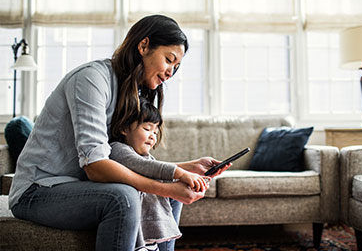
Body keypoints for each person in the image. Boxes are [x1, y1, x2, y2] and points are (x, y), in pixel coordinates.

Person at [8, 14, 230, 251]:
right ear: (144, 46)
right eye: (169, 59)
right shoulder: (92, 79)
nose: (170, 73)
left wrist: (186, 168)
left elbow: (126, 158)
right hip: (38, 191)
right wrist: (166, 187)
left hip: (78, 185)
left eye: (176, 67)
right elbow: (95, 166)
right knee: (122, 197)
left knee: (169, 187)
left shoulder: (133, 92)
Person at [109, 97, 210, 249]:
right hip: (137, 233)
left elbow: (152, 166)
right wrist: (181, 173)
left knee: (174, 188)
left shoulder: (146, 156)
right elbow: (145, 166)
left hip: (150, 234)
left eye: (155, 132)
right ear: (124, 128)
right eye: (147, 129)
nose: (152, 136)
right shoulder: (118, 149)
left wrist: (194, 176)